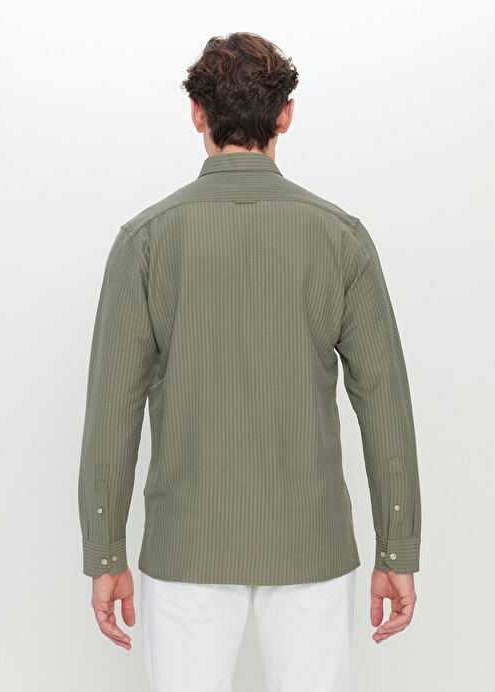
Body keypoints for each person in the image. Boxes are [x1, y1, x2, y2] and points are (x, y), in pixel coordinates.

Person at [78, 31, 421, 692]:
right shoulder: (340, 238)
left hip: (186, 548)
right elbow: (385, 403)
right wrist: (396, 547)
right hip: (311, 547)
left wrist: (105, 552)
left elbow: (110, 412)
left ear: (197, 114)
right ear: (285, 115)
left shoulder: (145, 241)